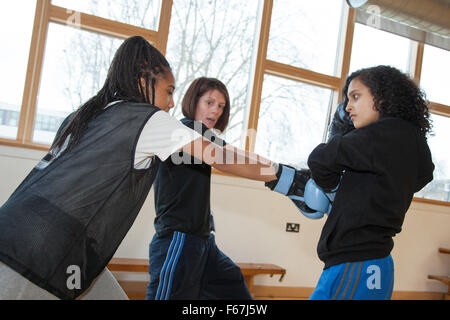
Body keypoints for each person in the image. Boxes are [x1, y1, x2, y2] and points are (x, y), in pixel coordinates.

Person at [0, 36, 292, 300]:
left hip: (37, 234)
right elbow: (220, 156)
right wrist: (287, 177)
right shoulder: (146, 119)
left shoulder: (82, 114)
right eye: (168, 91)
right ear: (143, 80)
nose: (171, 102)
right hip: (36, 249)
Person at [306, 65, 434, 300]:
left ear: (383, 97)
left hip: (355, 261)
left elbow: (319, 159)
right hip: (376, 261)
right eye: (347, 99)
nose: (347, 107)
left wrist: (333, 189)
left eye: (355, 96)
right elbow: (426, 174)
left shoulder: (378, 134)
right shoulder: (412, 138)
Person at [146, 77, 253, 300]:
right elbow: (235, 158)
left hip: (203, 242)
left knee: (232, 283)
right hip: (178, 239)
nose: (215, 111)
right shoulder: (183, 131)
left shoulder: (203, 139)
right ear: (194, 101)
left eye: (221, 106)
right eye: (209, 102)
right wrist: (282, 176)